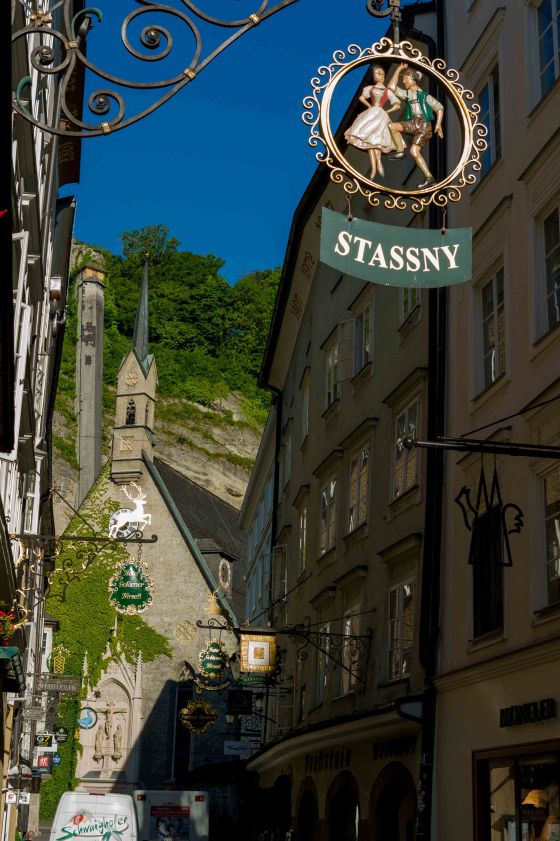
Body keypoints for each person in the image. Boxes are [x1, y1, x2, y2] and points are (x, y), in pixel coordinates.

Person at [387, 62, 444, 189]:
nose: (403, 82)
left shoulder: (425, 96)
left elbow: (439, 107)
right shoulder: (407, 95)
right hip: (413, 122)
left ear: (413, 80)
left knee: (414, 151)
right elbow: (391, 86)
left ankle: (429, 178)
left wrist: (438, 124)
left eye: (405, 79)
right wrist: (399, 68)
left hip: (424, 124)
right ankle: (400, 151)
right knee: (392, 126)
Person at [344, 65, 402, 180]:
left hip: (381, 114)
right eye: (378, 74)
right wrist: (370, 106)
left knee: (378, 139)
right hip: (372, 113)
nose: (380, 76)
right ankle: (375, 167)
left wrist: (387, 111)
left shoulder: (387, 91)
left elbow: (397, 104)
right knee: (370, 139)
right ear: (373, 76)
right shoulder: (369, 88)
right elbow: (362, 98)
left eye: (382, 74)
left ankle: (378, 164)